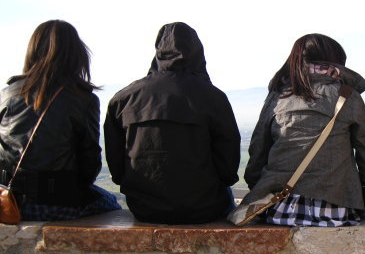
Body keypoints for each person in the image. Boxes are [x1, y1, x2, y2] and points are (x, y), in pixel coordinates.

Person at [104, 22, 240, 224]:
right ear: (197, 53)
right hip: (204, 207)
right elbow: (228, 166)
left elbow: (116, 166)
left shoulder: (124, 99)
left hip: (143, 207)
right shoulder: (213, 97)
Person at [241, 34, 365, 226]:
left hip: (279, 208)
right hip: (336, 208)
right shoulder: (347, 96)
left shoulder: (278, 95)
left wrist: (258, 188)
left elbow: (258, 149)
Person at [0, 20, 120, 220]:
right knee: (112, 203)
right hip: (56, 204)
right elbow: (89, 165)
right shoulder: (83, 98)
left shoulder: (6, 94)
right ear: (77, 54)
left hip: (9, 202)